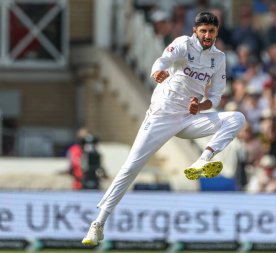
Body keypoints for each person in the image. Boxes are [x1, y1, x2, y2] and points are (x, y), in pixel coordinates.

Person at [81, 12, 245, 246]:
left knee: (237, 118)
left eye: (211, 31)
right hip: (162, 116)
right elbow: (162, 61)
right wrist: (156, 72)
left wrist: (201, 106)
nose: (207, 35)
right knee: (131, 166)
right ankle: (98, 223)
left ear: (217, 32)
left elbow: (216, 98)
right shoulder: (183, 44)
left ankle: (203, 159)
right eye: (203, 31)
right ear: (195, 31)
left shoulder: (219, 58)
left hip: (189, 118)